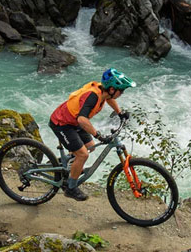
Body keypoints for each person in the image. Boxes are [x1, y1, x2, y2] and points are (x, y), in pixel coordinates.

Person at [48, 68, 135, 200]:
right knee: (83, 154)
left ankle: (63, 165)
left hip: (74, 121)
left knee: (91, 146)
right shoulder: (93, 96)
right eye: (121, 90)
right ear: (112, 89)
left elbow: (109, 100)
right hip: (62, 123)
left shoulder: (103, 93)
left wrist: (120, 112)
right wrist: (98, 135)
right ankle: (71, 188)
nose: (122, 93)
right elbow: (82, 119)